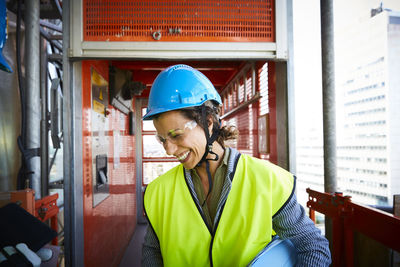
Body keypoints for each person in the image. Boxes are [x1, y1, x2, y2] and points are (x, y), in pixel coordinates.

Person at [141, 64, 331, 267]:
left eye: (176, 135)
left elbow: (312, 246)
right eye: (162, 139)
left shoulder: (267, 180)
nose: (169, 150)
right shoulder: (158, 192)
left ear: (209, 120)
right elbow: (153, 251)